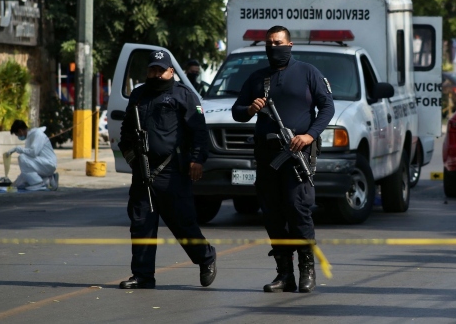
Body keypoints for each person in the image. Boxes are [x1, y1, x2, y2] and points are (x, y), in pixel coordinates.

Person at [232, 25, 334, 293]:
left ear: (289, 45)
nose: (273, 48)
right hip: (267, 156)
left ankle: (307, 269)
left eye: (278, 43)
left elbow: (327, 107)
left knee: (298, 210)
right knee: (273, 214)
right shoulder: (257, 77)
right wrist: (250, 108)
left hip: (297, 152)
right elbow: (237, 111)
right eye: (269, 44)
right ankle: (284, 273)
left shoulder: (307, 72)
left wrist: (310, 135)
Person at [117, 49, 216, 290]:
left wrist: (197, 160)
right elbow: (126, 133)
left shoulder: (183, 95)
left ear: (171, 71)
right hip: (143, 170)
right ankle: (142, 276)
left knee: (182, 223)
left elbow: (199, 132)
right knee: (141, 223)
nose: (156, 74)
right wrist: (132, 159)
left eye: (160, 70)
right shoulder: (139, 95)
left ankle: (206, 256)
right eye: (152, 69)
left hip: (172, 171)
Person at [5, 120, 58, 191]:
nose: (18, 137)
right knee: (18, 185)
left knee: (22, 157)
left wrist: (17, 149)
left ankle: (38, 183)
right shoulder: (29, 138)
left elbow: (33, 152)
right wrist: (14, 185)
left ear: (20, 131)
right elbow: (27, 169)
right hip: (41, 165)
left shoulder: (38, 134)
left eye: (17, 134)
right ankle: (48, 180)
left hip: (48, 164)